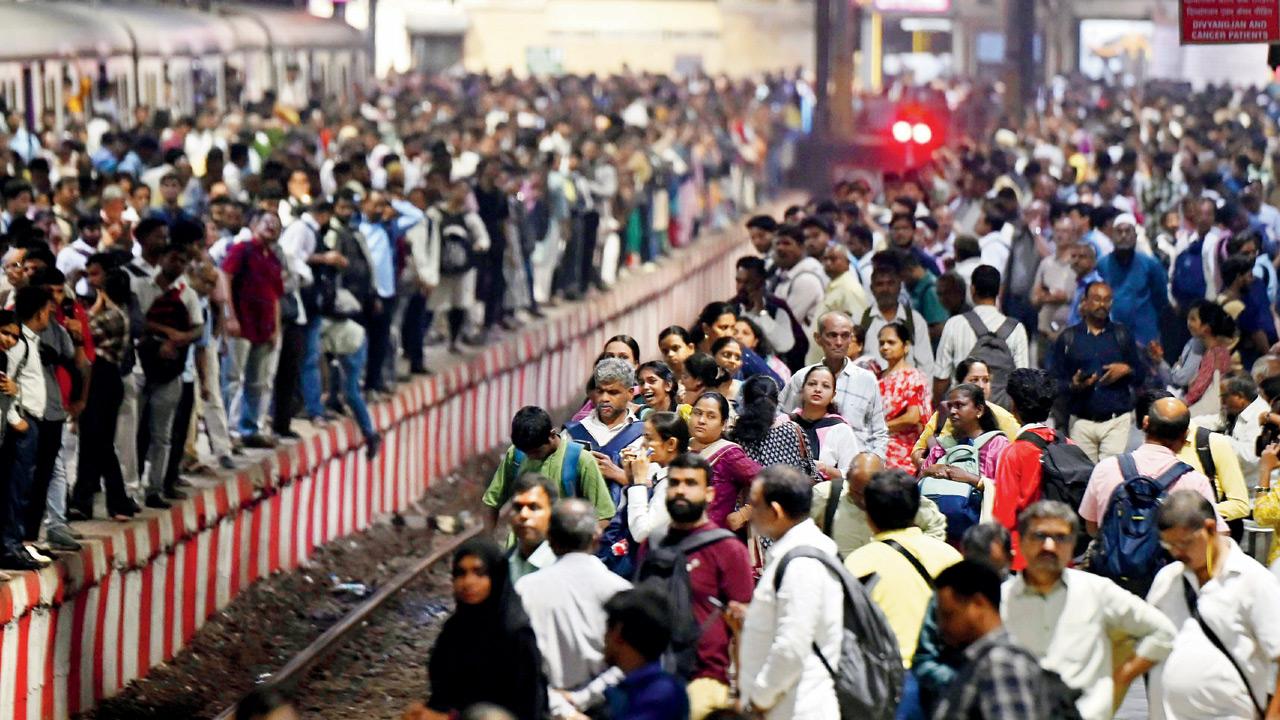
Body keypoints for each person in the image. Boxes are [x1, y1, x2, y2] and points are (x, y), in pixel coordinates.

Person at [1002, 501, 1176, 720]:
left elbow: (1163, 632)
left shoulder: (1096, 591)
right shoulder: (1002, 600)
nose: (1049, 546)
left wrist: (1121, 678)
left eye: (1060, 538)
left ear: (1073, 543)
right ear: (1021, 541)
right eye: (1039, 536)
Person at [1146, 491, 1280, 720]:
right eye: (1169, 546)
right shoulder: (1167, 579)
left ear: (1209, 529)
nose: (1177, 553)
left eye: (1184, 543)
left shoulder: (1253, 580)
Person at [638, 452, 753, 719]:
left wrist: (743, 693)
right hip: (653, 679)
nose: (680, 490)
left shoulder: (728, 550)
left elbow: (744, 628)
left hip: (704, 682)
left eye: (690, 484)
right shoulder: (652, 544)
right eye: (674, 483)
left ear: (710, 494)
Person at [731, 465, 843, 719]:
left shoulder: (802, 562)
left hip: (797, 708)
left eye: (754, 505)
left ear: (775, 511)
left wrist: (759, 699)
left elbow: (792, 647)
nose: (749, 512)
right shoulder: (797, 553)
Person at [516, 499, 632, 718]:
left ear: (549, 540)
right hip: (603, 709)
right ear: (597, 538)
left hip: (544, 709)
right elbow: (628, 664)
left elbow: (518, 663)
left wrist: (561, 708)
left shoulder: (525, 589)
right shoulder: (621, 591)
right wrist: (583, 698)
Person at [412, 538, 547, 720]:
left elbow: (527, 708)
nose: (468, 582)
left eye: (479, 573)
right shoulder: (454, 630)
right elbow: (443, 692)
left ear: (496, 577)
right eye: (460, 573)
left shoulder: (515, 632)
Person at [845, 469, 962, 670]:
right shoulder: (951, 557)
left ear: (869, 517)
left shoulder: (858, 563)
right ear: (916, 508)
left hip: (884, 677)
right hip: (941, 675)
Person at [1080, 397, 1226, 542]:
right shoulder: (1195, 482)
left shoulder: (1106, 468)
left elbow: (1092, 527)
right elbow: (1217, 534)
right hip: (1171, 564)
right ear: (1185, 436)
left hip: (1110, 564)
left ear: (1145, 423)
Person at [929, 560, 1056, 720]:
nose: (941, 626)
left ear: (978, 604)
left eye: (948, 615)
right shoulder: (983, 661)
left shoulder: (1000, 663)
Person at [911, 523, 1012, 716]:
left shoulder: (1019, 597)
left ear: (1010, 559)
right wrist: (965, 681)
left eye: (992, 569)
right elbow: (924, 661)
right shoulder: (947, 600)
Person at [1049, 281, 1147, 462]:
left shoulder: (1122, 335)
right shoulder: (1069, 338)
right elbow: (1053, 382)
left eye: (1107, 300)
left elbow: (1141, 375)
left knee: (1110, 476)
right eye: (1096, 299)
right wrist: (1074, 385)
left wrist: (1126, 369)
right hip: (1081, 422)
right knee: (1085, 479)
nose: (1102, 304)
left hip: (1116, 422)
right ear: (1084, 302)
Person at [68, 265, 135, 522]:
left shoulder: (112, 316)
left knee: (99, 442)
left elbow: (81, 332)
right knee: (94, 442)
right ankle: (86, 501)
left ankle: (114, 501)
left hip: (102, 381)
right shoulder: (119, 313)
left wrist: (94, 307)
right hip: (103, 381)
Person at [482, 406, 616, 528]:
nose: (530, 457)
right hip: (522, 545)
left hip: (563, 546)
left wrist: (578, 547)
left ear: (552, 435)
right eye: (526, 452)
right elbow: (492, 501)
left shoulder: (581, 459)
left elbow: (603, 515)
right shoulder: (516, 455)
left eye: (536, 452)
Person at [780, 311, 889, 455]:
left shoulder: (867, 380)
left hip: (856, 468)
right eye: (832, 335)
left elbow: (879, 433)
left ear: (851, 339)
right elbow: (780, 417)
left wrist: (873, 463)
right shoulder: (802, 377)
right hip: (810, 466)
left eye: (845, 336)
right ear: (818, 338)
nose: (839, 342)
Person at [221, 212, 285, 446]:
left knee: (257, 381)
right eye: (266, 222)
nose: (271, 227)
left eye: (276, 225)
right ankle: (227, 430)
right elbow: (225, 277)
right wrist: (230, 316)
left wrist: (275, 327)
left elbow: (275, 295)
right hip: (242, 323)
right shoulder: (242, 250)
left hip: (264, 326)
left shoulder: (273, 258)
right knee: (232, 378)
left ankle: (250, 428)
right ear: (253, 224)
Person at [812, 452, 947, 559]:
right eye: (859, 493)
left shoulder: (898, 496)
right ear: (848, 478)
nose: (865, 501)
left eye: (870, 493)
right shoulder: (826, 495)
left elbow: (935, 524)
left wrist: (915, 557)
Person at [917, 384, 1011, 530]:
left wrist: (970, 478)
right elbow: (919, 480)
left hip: (978, 532)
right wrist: (930, 470)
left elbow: (1006, 490)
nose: (953, 411)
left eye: (959, 405)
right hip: (939, 533)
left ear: (979, 410)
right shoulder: (942, 446)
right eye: (950, 406)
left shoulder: (997, 445)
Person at [933, 265, 1029, 404]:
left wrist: (938, 407)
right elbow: (1022, 381)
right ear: (999, 291)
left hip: (963, 412)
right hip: (1002, 414)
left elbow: (941, 377)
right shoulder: (1017, 329)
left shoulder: (955, 324)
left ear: (972, 290)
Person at [601, 587, 691, 720]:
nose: (604, 636)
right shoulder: (637, 689)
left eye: (608, 626)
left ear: (618, 632)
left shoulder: (659, 694)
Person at [427, 179, 492, 353]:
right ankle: (432, 334)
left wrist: (475, 248)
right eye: (459, 190)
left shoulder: (469, 217)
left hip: (464, 269)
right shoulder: (436, 213)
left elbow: (483, 239)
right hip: (440, 267)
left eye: (465, 192)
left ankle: (454, 339)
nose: (461, 195)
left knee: (460, 304)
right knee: (435, 303)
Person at [689, 391, 761, 533]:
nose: (701, 420)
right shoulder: (681, 448)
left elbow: (772, 483)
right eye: (697, 413)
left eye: (711, 416)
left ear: (724, 424)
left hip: (713, 540)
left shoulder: (729, 454)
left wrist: (744, 514)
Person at [1096, 216, 1170, 347]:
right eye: (1119, 232)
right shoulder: (1102, 265)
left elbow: (1161, 300)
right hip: (1111, 335)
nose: (1123, 236)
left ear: (1135, 236)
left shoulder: (1150, 264)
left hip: (1145, 335)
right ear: (1112, 236)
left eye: (1127, 231)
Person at [619, 411, 688, 547]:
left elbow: (641, 533)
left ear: (671, 444)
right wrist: (632, 478)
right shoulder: (657, 471)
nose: (642, 444)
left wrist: (638, 482)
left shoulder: (676, 483)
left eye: (649, 438)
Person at [858, 263, 935, 375]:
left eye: (890, 283)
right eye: (880, 284)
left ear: (899, 286)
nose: (885, 289)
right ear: (872, 288)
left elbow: (926, 364)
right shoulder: (862, 320)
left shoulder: (915, 320)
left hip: (907, 389)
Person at [790, 363, 861, 479]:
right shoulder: (786, 422)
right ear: (802, 390)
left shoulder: (840, 429)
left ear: (833, 395)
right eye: (812, 384)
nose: (817, 389)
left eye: (825, 386)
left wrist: (825, 468)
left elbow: (851, 474)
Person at [878, 321, 932, 470]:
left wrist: (878, 428)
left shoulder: (914, 377)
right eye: (881, 343)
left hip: (904, 454)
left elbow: (912, 418)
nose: (885, 347)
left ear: (905, 346)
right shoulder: (877, 378)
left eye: (891, 342)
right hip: (876, 450)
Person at [768, 224, 826, 327]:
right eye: (777, 243)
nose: (780, 248)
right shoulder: (784, 275)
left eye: (786, 243)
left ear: (802, 247)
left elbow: (784, 325)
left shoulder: (807, 278)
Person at [507, 473, 556, 582]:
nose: (523, 514)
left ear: (552, 513)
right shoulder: (500, 566)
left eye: (533, 507)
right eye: (517, 507)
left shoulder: (566, 565)